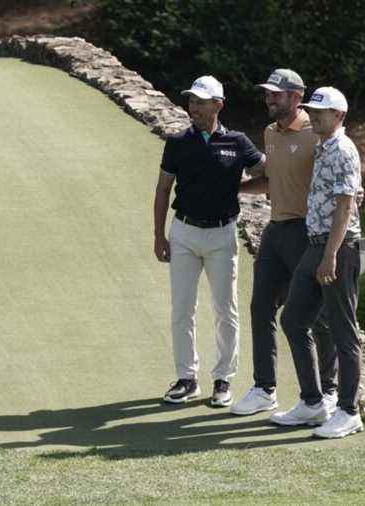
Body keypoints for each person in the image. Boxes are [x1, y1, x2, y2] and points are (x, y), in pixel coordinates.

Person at [231, 69, 338, 416]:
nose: (269, 99)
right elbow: (272, 181)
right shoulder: (270, 133)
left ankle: (329, 390)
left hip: (306, 232)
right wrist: (232, 188)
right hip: (275, 229)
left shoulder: (315, 132)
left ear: (296, 97)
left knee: (315, 314)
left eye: (276, 94)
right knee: (260, 307)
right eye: (267, 94)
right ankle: (264, 388)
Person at [154, 75, 265, 407]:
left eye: (201, 102)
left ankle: (223, 379)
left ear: (218, 105)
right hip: (184, 232)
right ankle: (187, 378)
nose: (194, 107)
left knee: (225, 308)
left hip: (222, 233)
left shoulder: (238, 142)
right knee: (182, 309)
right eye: (191, 101)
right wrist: (158, 235)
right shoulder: (177, 142)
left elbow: (269, 176)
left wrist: (239, 189)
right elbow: (162, 190)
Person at [270, 86, 365, 438]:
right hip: (316, 246)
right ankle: (312, 402)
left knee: (343, 329)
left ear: (339, 116)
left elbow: (345, 207)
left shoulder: (342, 149)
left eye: (322, 112)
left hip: (339, 249)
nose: (315, 116)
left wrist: (330, 257)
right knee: (293, 318)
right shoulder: (323, 146)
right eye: (312, 110)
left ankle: (348, 410)